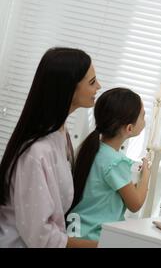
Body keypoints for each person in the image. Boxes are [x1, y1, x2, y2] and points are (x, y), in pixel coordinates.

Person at [0, 47, 101, 247]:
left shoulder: (61, 136)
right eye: (91, 82)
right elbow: (40, 236)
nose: (99, 86)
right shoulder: (36, 152)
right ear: (68, 88)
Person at [67, 88, 150, 241]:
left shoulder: (90, 150)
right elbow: (135, 204)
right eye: (143, 116)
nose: (145, 120)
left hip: (75, 230)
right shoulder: (116, 162)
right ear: (129, 128)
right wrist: (146, 175)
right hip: (93, 237)